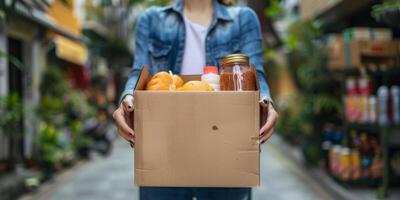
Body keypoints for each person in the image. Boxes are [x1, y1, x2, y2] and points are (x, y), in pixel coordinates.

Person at [113, 0, 278, 199]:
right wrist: (128, 97)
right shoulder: (151, 20)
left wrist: (265, 101)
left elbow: (255, 74)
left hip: (225, 152)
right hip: (165, 153)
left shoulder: (243, 19)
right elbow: (140, 73)